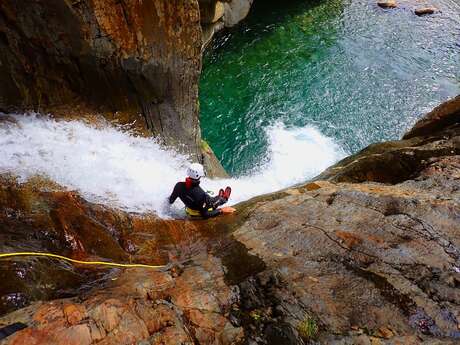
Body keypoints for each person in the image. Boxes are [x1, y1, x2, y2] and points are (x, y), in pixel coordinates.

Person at [168, 163, 235, 218]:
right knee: (213, 201)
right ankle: (224, 198)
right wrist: (222, 210)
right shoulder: (201, 195)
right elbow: (205, 215)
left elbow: (170, 201)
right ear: (199, 176)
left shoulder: (178, 186)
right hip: (198, 213)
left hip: (189, 209)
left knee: (207, 198)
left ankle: (219, 197)